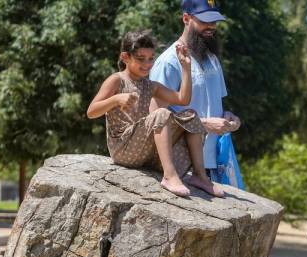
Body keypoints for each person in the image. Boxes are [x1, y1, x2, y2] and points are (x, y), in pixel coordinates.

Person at [87, 30, 214, 198]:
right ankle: (169, 176)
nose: (147, 64)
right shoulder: (117, 80)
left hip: (143, 152)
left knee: (190, 116)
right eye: (140, 59)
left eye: (150, 58)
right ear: (125, 57)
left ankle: (200, 176)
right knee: (161, 113)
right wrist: (116, 99)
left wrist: (185, 68)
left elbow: (183, 99)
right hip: (123, 149)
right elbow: (91, 112)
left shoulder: (150, 85)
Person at [150, 0, 241, 197]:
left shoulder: (212, 58)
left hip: (214, 164)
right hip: (182, 166)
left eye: (214, 21)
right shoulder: (168, 61)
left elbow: (214, 103)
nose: (211, 27)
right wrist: (205, 124)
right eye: (205, 21)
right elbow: (155, 116)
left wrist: (229, 117)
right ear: (186, 19)